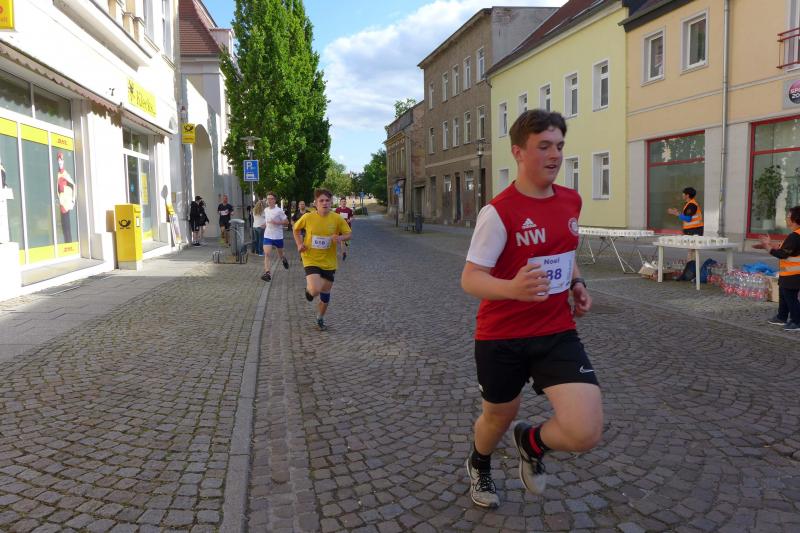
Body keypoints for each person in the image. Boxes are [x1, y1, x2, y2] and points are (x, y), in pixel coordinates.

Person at [460, 109, 602, 509]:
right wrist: (512, 288)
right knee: (498, 416)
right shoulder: (498, 212)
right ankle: (479, 462)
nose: (554, 155)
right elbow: (471, 278)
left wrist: (577, 284)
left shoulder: (571, 200)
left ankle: (532, 442)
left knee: (585, 430)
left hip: (556, 331)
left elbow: (564, 253)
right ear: (519, 152)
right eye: (544, 146)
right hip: (502, 337)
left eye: (559, 146)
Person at [293, 188, 352, 331]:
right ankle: (310, 291)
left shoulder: (337, 218)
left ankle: (320, 317)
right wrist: (300, 244)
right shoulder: (308, 217)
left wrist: (340, 238)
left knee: (325, 296)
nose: (325, 203)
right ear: (316, 203)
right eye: (321, 201)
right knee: (315, 290)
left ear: (331, 202)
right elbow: (295, 229)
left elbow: (348, 234)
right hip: (310, 258)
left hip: (329, 262)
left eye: (327, 200)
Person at [756, 206, 800, 331]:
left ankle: (797, 321)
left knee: (790, 297)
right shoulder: (795, 235)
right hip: (789, 273)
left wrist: (767, 247)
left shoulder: (795, 236)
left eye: (788, 216)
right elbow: (785, 247)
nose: (786, 218)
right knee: (783, 293)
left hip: (793, 274)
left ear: (794, 219)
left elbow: (782, 254)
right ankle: (782, 317)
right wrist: (769, 244)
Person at [259, 192, 290, 281]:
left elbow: (287, 222)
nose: (269, 200)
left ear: (275, 200)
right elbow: (267, 221)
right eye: (268, 199)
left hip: (278, 236)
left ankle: (283, 259)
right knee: (267, 254)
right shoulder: (266, 210)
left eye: (271, 199)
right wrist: (264, 225)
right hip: (268, 235)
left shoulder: (279, 210)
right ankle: (267, 273)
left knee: (280, 254)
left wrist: (277, 223)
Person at [56, 152, 76, 243]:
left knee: (66, 224)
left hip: (66, 201)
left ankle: (69, 242)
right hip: (61, 201)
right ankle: (67, 242)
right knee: (64, 224)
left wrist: (72, 200)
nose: (59, 162)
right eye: (58, 160)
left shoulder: (65, 174)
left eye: (61, 160)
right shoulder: (58, 174)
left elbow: (73, 185)